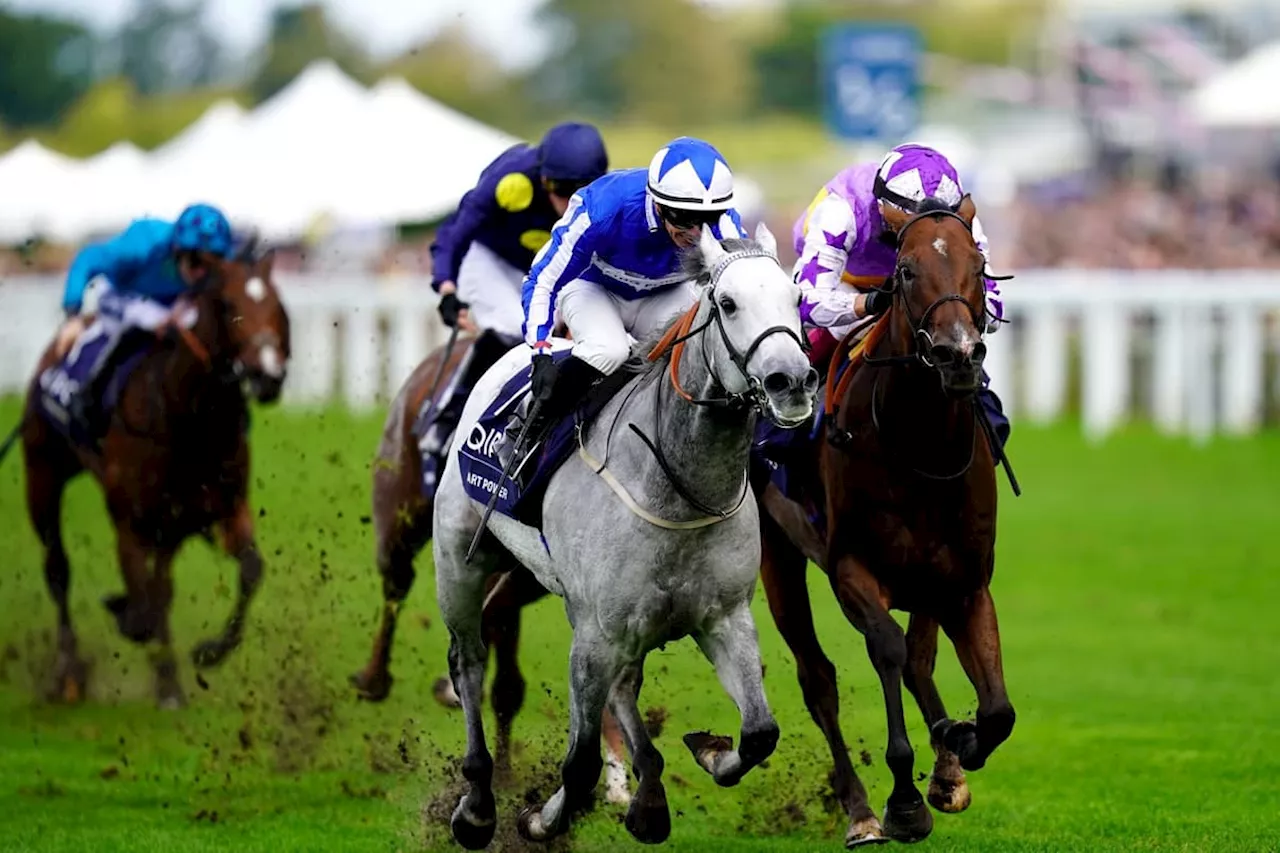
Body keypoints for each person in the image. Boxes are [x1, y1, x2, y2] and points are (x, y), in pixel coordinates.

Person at [501, 136, 746, 473]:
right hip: (593, 288)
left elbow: (744, 285)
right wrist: (540, 351)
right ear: (658, 204)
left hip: (664, 292)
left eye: (706, 219)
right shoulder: (604, 207)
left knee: (695, 353)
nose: (695, 233)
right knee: (609, 350)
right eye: (683, 219)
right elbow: (543, 279)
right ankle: (527, 425)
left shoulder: (723, 221)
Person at [417, 123, 609, 494]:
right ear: (543, 179)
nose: (566, 200)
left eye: (578, 190)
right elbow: (457, 230)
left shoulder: (603, 197)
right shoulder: (512, 180)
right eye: (559, 189)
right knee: (520, 330)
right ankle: (443, 423)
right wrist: (446, 286)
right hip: (489, 261)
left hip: (542, 268)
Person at [790, 142, 1010, 448]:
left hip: (918, 283)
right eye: (909, 225)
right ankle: (781, 433)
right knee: (829, 339)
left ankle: (988, 426)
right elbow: (807, 301)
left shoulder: (959, 220)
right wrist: (868, 303)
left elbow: (994, 306)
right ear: (883, 206)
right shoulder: (840, 210)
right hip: (845, 281)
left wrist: (966, 326)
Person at [57, 202, 235, 443]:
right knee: (143, 318)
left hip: (169, 302)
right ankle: (80, 392)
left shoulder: (203, 263)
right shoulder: (141, 246)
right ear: (177, 250)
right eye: (196, 262)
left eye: (210, 265)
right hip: (118, 293)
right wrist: (73, 316)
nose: (201, 273)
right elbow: (87, 259)